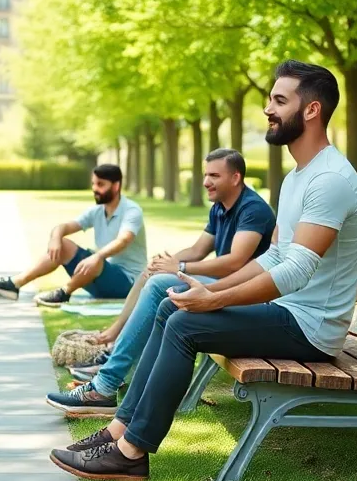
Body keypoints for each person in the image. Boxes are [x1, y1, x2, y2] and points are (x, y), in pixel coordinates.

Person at [49, 60, 357, 481]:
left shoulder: (329, 179)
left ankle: (131, 453)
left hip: (311, 326)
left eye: (279, 100)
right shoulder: (298, 178)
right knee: (171, 306)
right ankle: (118, 428)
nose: (267, 109)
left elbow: (296, 272)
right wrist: (204, 288)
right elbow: (273, 258)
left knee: (185, 325)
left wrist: (214, 298)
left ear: (311, 110)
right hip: (290, 313)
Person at [45, 149, 275, 416]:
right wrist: (164, 263)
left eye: (214, 175)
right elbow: (198, 249)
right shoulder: (220, 208)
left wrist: (178, 267)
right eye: (205, 175)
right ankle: (113, 351)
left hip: (243, 297)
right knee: (151, 274)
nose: (205, 182)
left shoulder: (253, 209)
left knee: (158, 286)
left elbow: (236, 261)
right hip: (222, 286)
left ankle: (105, 385)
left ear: (236, 178)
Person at [0, 165, 145, 307]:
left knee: (96, 258)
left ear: (116, 186)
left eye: (100, 184)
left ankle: (64, 292)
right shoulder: (97, 211)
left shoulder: (131, 210)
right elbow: (63, 227)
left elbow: (124, 240)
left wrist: (98, 256)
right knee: (64, 244)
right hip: (98, 277)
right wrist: (55, 239)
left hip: (127, 283)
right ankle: (14, 284)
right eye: (93, 183)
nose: (95, 188)